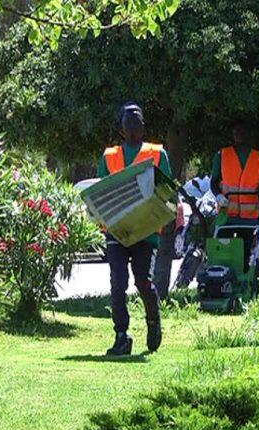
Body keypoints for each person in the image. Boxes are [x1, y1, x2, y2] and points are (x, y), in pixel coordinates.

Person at [97, 103, 171, 356]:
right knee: (118, 282)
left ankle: (153, 320)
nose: (131, 125)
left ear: (143, 127)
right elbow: (99, 192)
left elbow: (167, 191)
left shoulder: (157, 153)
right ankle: (121, 335)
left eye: (136, 120)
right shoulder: (109, 156)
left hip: (146, 230)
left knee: (143, 281)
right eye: (127, 121)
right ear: (121, 127)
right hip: (117, 230)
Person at [210, 119, 259, 269]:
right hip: (227, 214)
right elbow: (214, 181)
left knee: (244, 250)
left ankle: (242, 279)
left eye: (243, 132)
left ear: (250, 134)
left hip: (249, 217)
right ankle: (220, 277)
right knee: (222, 249)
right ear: (233, 135)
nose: (240, 136)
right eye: (237, 132)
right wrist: (219, 196)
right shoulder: (222, 155)